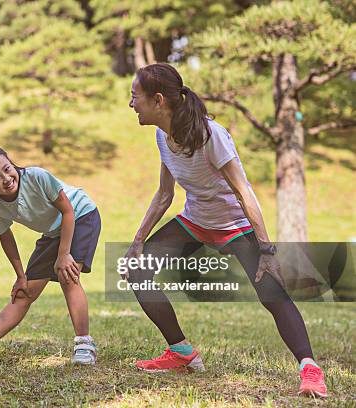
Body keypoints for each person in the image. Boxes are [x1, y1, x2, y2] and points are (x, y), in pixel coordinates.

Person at [125, 63, 327, 398]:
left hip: (235, 225)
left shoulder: (211, 135)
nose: (131, 104)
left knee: (272, 295)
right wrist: (137, 241)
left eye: (135, 97)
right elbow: (165, 194)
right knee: (136, 269)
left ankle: (310, 368)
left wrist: (266, 250)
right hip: (195, 220)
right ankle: (182, 352)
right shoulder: (163, 136)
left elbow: (244, 192)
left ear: (158, 100)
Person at [0, 144, 101, 364]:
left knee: (68, 275)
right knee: (24, 292)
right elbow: (5, 237)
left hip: (81, 216)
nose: (7, 178)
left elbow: (67, 211)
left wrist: (64, 255)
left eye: (8, 169)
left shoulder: (37, 177)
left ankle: (85, 344)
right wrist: (21, 276)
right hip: (53, 231)